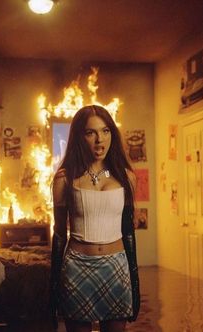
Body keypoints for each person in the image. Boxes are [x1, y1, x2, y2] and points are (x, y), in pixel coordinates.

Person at [49, 105, 140, 332]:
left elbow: (128, 232)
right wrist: (54, 285)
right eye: (91, 132)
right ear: (79, 136)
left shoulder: (126, 177)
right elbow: (59, 233)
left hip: (116, 267)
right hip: (76, 268)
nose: (100, 139)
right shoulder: (64, 180)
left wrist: (135, 282)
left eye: (106, 131)